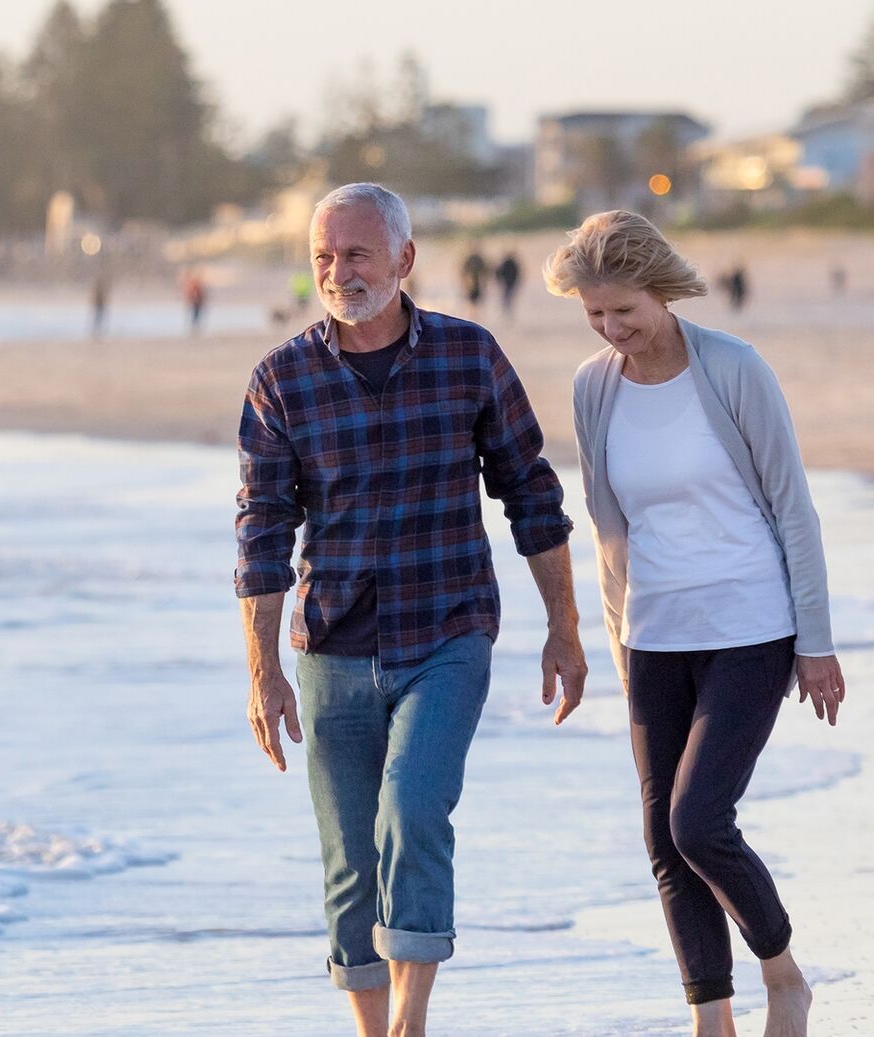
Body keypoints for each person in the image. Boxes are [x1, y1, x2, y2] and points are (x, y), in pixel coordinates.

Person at [237, 183, 586, 1037]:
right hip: (331, 644)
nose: (338, 272)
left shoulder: (469, 357)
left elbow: (531, 493)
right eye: (323, 257)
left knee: (413, 807)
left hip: (447, 632)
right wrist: (263, 670)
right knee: (350, 856)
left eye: (355, 254)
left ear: (404, 258)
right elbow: (261, 530)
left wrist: (565, 626)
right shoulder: (282, 378)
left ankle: (410, 1024)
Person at [546, 210, 845, 1037]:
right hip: (654, 634)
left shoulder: (733, 368)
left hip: (751, 624)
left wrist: (816, 641)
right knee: (662, 838)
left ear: (662, 291)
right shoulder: (593, 386)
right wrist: (616, 641)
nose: (612, 329)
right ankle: (711, 1019)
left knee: (699, 821)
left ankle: (784, 976)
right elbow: (607, 525)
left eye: (625, 311)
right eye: (595, 314)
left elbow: (792, 506)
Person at [494, 250, 523, 319]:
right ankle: (506, 312)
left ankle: (506, 312)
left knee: (507, 298)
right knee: (508, 298)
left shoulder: (507, 263)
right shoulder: (511, 264)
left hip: (508, 283)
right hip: (509, 283)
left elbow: (499, 273)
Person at [460, 247, 488, 313]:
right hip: (472, 282)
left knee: (475, 299)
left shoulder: (475, 259)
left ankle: (474, 312)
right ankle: (473, 312)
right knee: (473, 299)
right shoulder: (475, 259)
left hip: (476, 282)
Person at [183, 268, 208, 335]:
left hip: (197, 302)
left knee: (196, 315)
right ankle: (194, 327)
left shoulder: (194, 284)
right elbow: (193, 294)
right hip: (195, 302)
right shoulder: (193, 284)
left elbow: (199, 293)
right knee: (195, 315)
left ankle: (195, 327)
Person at [90, 273, 110, 339]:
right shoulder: (98, 291)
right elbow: (96, 299)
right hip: (98, 306)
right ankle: (96, 332)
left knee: (99, 320)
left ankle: (98, 332)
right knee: (97, 320)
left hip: (100, 306)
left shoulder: (99, 291)